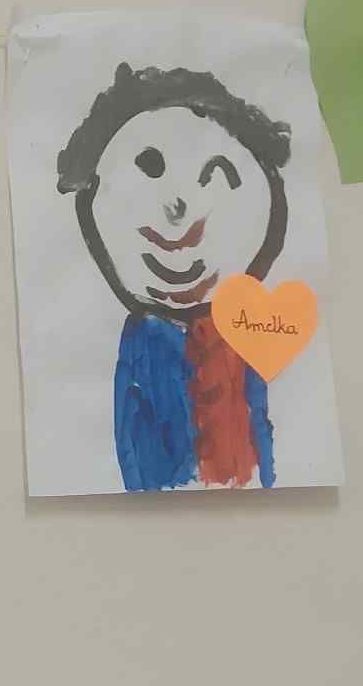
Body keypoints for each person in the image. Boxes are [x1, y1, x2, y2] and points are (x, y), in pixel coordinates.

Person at [56, 62, 292, 491]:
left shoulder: (248, 337)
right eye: (148, 170)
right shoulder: (141, 347)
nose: (178, 207)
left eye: (214, 176)